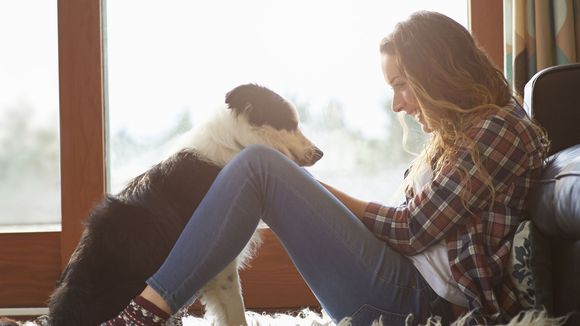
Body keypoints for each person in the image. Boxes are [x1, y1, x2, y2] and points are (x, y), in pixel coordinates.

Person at [102, 11, 549, 326]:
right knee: (264, 168)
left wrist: (305, 188)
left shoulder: (500, 130)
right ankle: (147, 311)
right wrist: (303, 192)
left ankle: (141, 314)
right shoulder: (468, 133)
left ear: (437, 72)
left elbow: (412, 229)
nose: (397, 104)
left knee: (261, 165)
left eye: (401, 86)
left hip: (416, 307)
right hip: (401, 287)